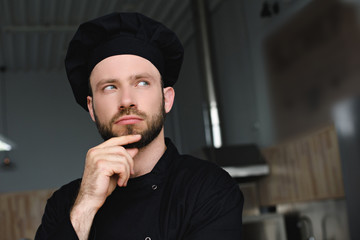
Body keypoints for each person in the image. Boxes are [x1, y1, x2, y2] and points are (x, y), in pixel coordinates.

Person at [35, 12, 243, 240]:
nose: (126, 100)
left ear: (167, 99)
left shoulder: (209, 189)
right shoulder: (64, 206)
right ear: (92, 108)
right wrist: (86, 205)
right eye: (110, 87)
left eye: (142, 83)